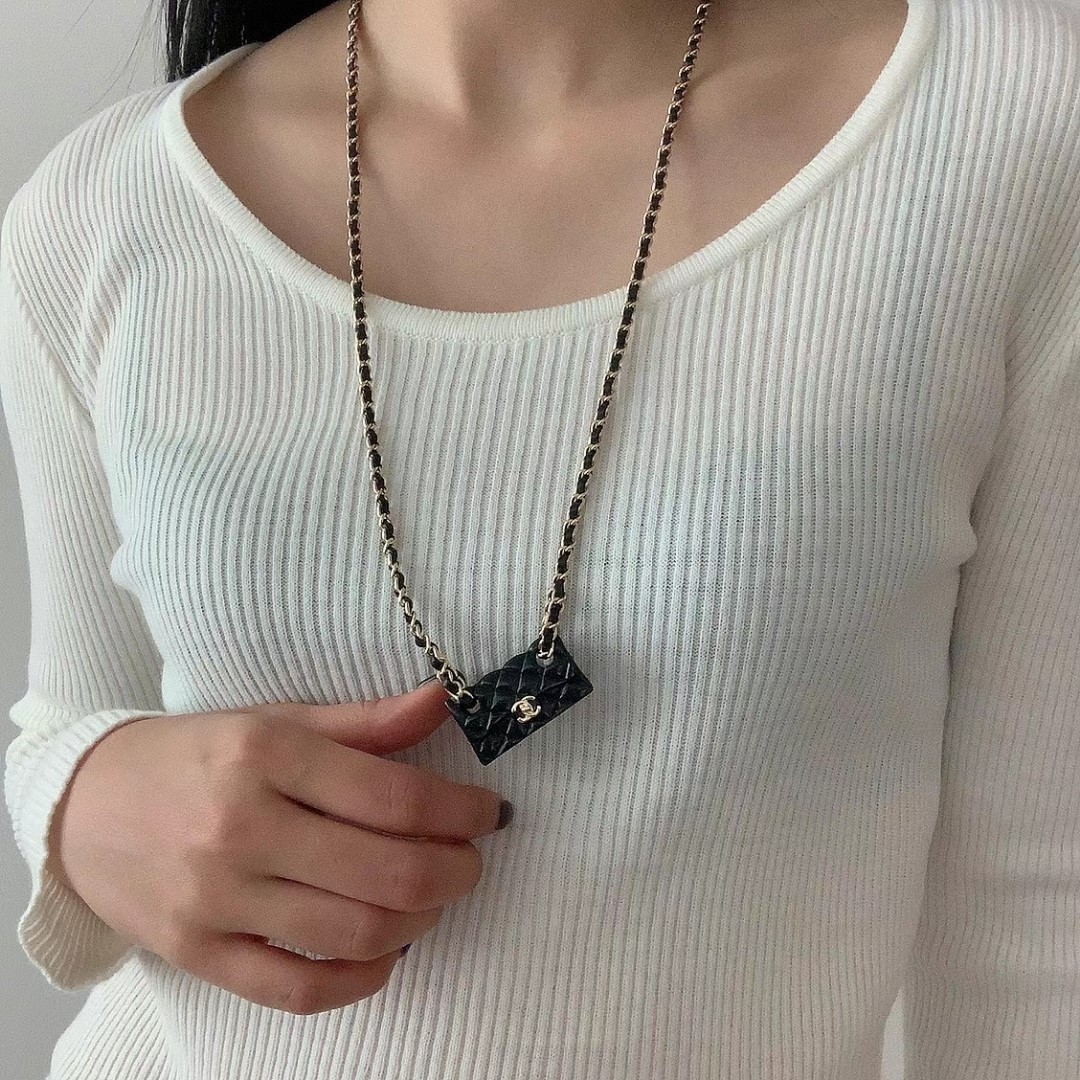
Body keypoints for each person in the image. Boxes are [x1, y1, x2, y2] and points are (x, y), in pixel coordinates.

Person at [1, 0, 1079, 1076]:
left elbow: (1037, 895)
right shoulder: (102, 206)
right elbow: (67, 722)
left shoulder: (1006, 123)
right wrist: (78, 801)